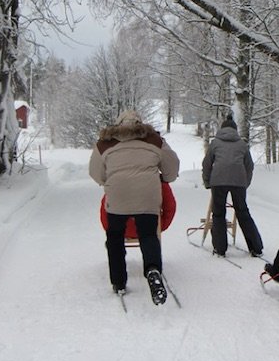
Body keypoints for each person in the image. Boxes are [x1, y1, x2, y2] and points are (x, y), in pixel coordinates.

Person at [89, 110, 180, 305]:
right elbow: (172, 167)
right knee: (148, 235)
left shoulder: (105, 143)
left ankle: (119, 282)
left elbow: (95, 173)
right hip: (147, 195)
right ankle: (153, 270)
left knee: (115, 236)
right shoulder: (154, 140)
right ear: (141, 123)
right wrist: (162, 177)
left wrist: (109, 180)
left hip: (118, 195)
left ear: (118, 124)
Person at [202, 113, 263, 257]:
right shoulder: (242, 144)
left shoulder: (215, 143)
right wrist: (245, 183)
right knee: (243, 212)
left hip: (218, 181)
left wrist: (207, 182)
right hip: (238, 182)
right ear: (235, 130)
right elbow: (249, 166)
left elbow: (207, 164)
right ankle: (255, 247)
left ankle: (220, 247)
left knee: (218, 213)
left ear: (221, 129)